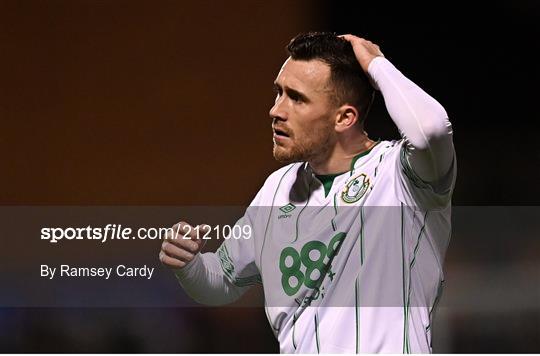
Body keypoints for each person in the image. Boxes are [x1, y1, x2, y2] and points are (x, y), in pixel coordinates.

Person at [159, 32, 456, 353]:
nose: (276, 110)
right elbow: (222, 281)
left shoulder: (401, 176)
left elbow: (431, 130)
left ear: (344, 118)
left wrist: (376, 65)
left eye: (296, 98)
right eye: (278, 93)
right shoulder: (276, 189)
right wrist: (189, 265)